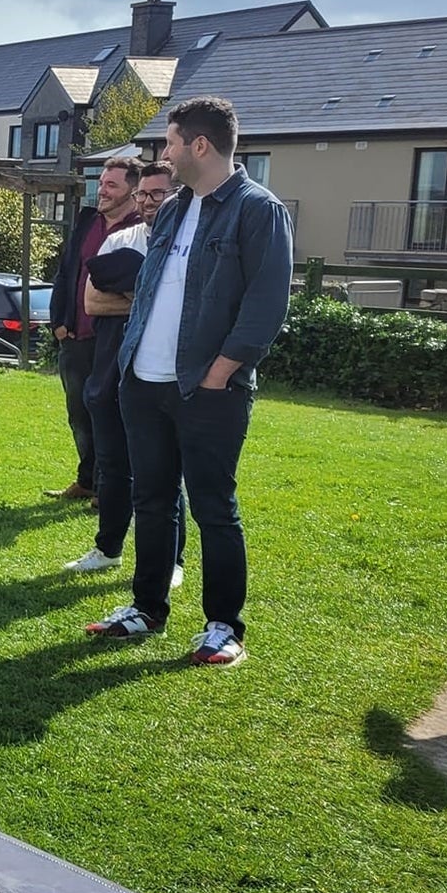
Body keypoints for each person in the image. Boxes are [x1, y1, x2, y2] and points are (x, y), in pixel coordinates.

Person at [88, 97, 292, 666]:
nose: (165, 154)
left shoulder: (258, 211)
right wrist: (130, 362)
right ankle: (146, 607)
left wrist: (221, 372)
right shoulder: (175, 208)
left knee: (213, 507)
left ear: (200, 145)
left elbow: (267, 303)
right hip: (144, 382)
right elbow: (153, 287)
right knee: (151, 499)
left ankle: (224, 626)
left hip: (210, 390)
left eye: (171, 142)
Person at [64, 163, 186, 583]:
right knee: (112, 465)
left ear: (177, 196)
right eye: (144, 195)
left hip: (160, 376)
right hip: (111, 370)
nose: (149, 202)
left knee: (165, 471)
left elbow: (189, 306)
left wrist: (133, 292)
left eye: (158, 194)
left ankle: (172, 561)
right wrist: (153, 299)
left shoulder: (185, 244)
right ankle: (108, 548)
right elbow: (93, 304)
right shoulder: (120, 239)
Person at [47, 156, 144, 502]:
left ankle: (110, 488)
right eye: (101, 183)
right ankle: (87, 480)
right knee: (80, 414)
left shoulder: (140, 230)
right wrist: (59, 323)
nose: (101, 190)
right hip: (74, 337)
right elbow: (65, 272)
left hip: (112, 340)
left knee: (110, 415)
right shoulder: (87, 222)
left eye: (111, 185)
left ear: (133, 190)